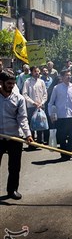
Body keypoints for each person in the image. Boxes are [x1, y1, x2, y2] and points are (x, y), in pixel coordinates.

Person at [0, 70, 33, 200]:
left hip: (14, 137)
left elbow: (23, 118)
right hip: (0, 138)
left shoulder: (18, 98)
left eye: (13, 83)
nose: (11, 86)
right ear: (1, 82)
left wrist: (28, 135)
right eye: (9, 83)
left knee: (14, 167)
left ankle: (12, 190)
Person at [47, 69, 72, 161]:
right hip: (61, 117)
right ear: (62, 77)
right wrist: (50, 115)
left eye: (69, 75)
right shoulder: (57, 88)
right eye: (66, 75)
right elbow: (50, 103)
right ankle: (64, 154)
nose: (69, 77)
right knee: (62, 136)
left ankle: (68, 151)